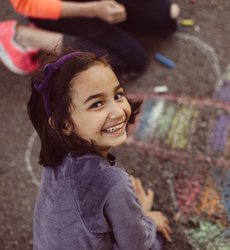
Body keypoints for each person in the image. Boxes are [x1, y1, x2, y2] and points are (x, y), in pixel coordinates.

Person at [27, 50, 171, 249]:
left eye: (118, 95)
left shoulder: (57, 159)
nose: (118, 111)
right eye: (97, 104)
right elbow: (135, 244)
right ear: (64, 124)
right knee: (154, 241)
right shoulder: (112, 181)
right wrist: (148, 219)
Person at [0, 0, 180, 76]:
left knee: (166, 19)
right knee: (128, 62)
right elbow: (27, 2)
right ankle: (22, 36)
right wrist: (92, 9)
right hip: (52, 6)